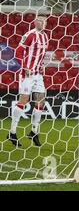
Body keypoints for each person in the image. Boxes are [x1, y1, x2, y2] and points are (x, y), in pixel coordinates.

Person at [8, 15, 49, 147]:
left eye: (44, 21)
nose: (42, 23)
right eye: (40, 21)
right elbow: (18, 51)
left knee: (40, 102)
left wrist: (42, 65)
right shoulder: (30, 35)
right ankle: (12, 132)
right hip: (27, 74)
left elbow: (41, 55)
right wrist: (25, 67)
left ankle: (34, 132)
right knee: (23, 100)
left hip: (38, 74)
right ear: (35, 22)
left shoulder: (45, 36)